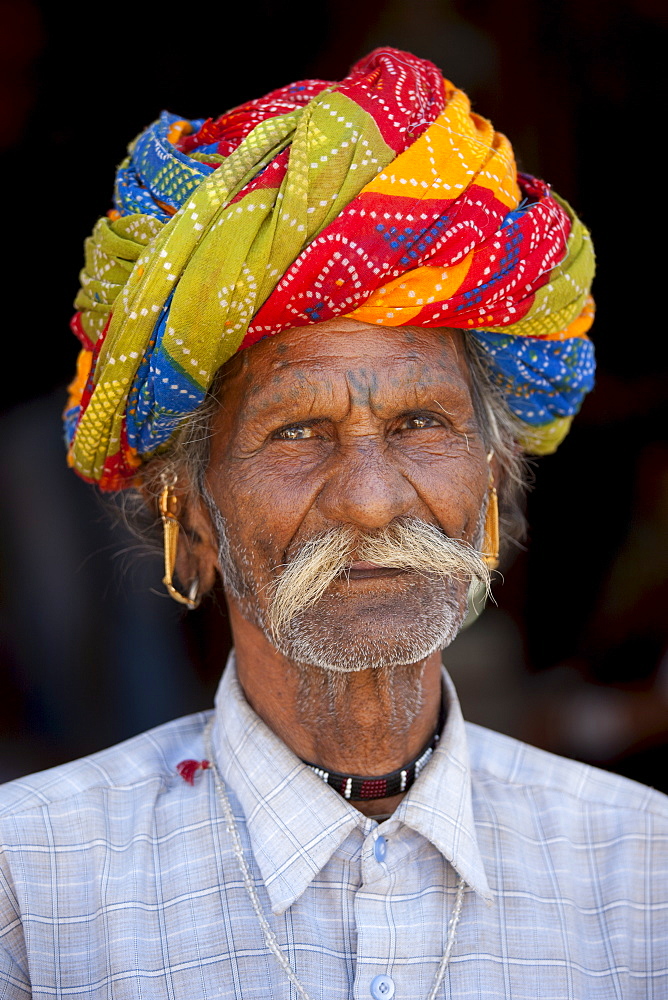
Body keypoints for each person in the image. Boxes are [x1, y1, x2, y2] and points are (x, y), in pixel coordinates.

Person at [0, 48, 665, 998]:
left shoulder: (646, 878)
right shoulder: (30, 887)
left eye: (421, 425)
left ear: (490, 488)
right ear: (188, 518)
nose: (370, 496)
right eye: (297, 431)